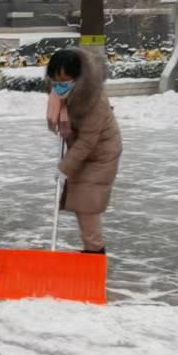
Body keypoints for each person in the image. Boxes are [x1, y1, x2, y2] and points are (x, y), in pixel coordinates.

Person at [45, 48, 121, 254]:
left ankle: (95, 251)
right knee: (82, 203)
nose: (59, 86)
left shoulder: (94, 99)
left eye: (64, 81)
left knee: (87, 205)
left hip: (101, 154)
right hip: (81, 151)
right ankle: (92, 248)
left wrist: (65, 168)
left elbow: (87, 141)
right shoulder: (60, 93)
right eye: (55, 81)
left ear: (78, 77)